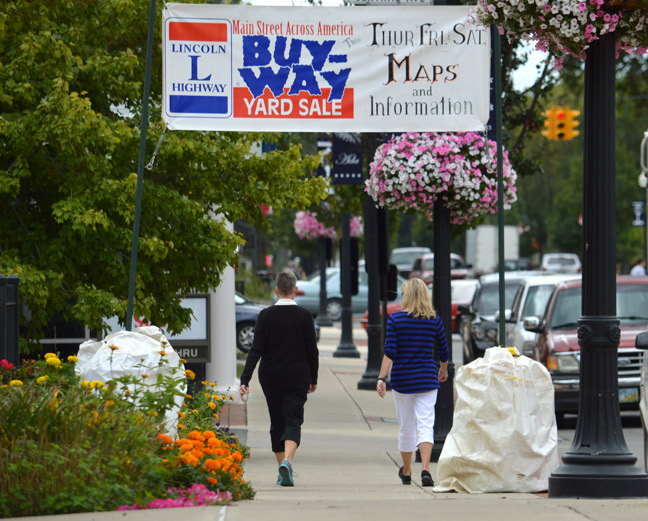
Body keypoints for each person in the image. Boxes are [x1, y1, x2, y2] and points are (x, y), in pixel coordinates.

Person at [239, 270, 319, 487]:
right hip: (297, 375)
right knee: (293, 420)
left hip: (271, 375)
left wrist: (245, 379)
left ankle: (282, 468)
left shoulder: (265, 315)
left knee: (277, 421)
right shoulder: (304, 316)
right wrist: (314, 378)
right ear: (295, 290)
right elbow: (312, 350)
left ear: (276, 290)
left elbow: (255, 350)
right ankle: (287, 461)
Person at [376, 278, 449, 487]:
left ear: (406, 295)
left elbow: (390, 351)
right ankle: (425, 468)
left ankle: (407, 471)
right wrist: (443, 371)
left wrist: (381, 377)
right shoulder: (434, 320)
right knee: (426, 424)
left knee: (406, 427)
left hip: (402, 380)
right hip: (427, 379)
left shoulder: (396, 319)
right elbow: (443, 351)